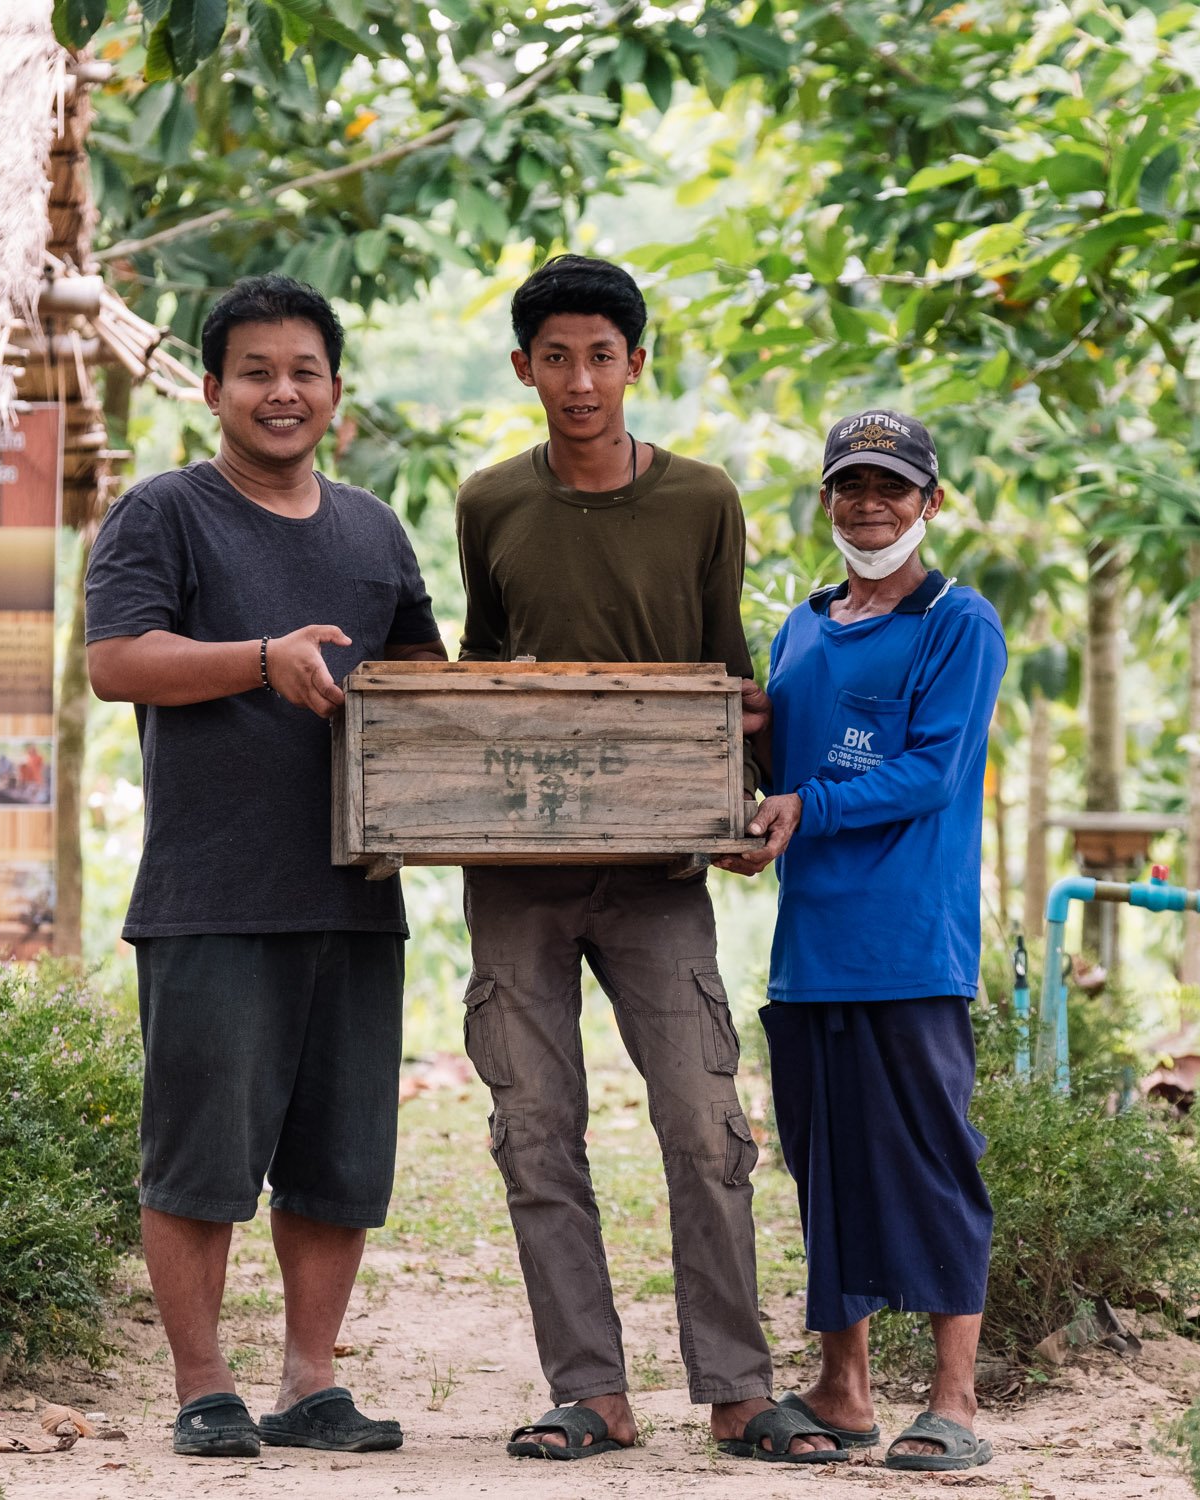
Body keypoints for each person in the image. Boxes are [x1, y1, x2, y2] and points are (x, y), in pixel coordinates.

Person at [454, 254, 840, 1464]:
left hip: (662, 876)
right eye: (555, 357)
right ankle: (591, 1393)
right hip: (516, 869)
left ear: (637, 363)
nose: (580, 380)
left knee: (702, 1123)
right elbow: (483, 669)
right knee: (536, 1130)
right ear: (524, 368)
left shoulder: (703, 499)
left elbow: (726, 675)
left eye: (602, 356)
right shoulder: (487, 502)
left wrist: (733, 809)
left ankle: (736, 1390)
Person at [84, 275, 446, 1459]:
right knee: (200, 1153)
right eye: (256, 372)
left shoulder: (376, 530)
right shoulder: (163, 514)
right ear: (213, 387)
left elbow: (422, 691)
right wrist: (257, 659)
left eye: (304, 371)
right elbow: (118, 663)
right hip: (211, 894)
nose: (281, 392)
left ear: (336, 391)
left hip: (356, 895)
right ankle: (203, 1387)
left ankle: (310, 1381)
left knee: (340, 1157)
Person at [718, 409, 1008, 1473]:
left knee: (933, 1167)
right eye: (851, 487)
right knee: (827, 1170)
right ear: (826, 500)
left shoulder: (957, 622)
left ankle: (956, 1402)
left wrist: (804, 808)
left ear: (932, 502)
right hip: (810, 954)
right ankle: (842, 1392)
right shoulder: (800, 627)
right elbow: (779, 767)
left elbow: (932, 772)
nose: (871, 506)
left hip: (910, 950)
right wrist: (742, 784)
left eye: (893, 488)